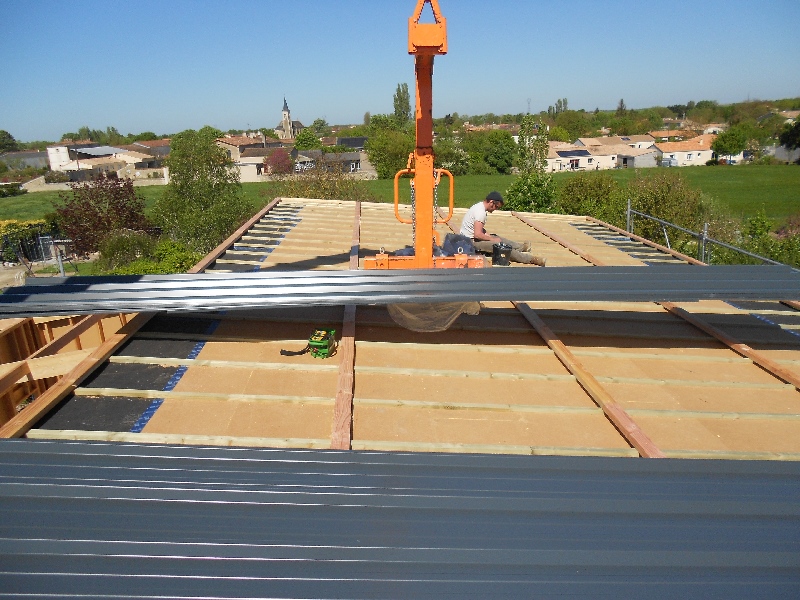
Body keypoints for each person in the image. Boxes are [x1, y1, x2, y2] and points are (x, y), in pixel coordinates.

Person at [459, 191, 546, 265]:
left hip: (471, 239)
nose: (495, 209)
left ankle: (522, 247)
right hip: (471, 243)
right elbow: (477, 234)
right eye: (496, 207)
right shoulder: (480, 212)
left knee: (498, 238)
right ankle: (532, 259)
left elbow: (477, 230)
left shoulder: (478, 206)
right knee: (502, 247)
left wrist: (490, 237)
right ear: (491, 202)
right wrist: (492, 240)